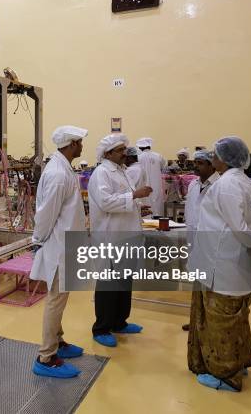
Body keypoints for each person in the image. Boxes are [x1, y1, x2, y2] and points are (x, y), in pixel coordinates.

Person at [187, 136, 251, 392]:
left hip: (222, 263)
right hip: (232, 261)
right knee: (237, 317)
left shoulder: (228, 185)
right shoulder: (243, 182)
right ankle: (237, 361)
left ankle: (225, 374)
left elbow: (239, 228)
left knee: (222, 321)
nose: (213, 158)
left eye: (216, 155)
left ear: (225, 159)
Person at [30, 125, 88, 378]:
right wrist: (38, 240)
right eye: (80, 142)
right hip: (57, 245)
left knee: (60, 296)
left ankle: (59, 342)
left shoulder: (63, 169)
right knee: (55, 299)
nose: (82, 146)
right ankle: (46, 356)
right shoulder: (57, 173)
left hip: (66, 243)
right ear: (72, 144)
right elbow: (46, 215)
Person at [88, 134, 152, 347]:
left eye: (125, 149)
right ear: (107, 153)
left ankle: (119, 322)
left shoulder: (122, 171)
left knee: (124, 281)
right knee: (108, 283)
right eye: (120, 150)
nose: (125, 153)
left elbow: (122, 199)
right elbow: (106, 203)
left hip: (126, 235)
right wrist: (134, 196)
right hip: (110, 237)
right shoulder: (102, 173)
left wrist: (137, 205)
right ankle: (102, 328)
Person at [181, 150, 219, 331]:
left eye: (201, 163)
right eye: (195, 162)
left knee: (212, 284)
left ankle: (211, 322)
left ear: (212, 165)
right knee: (197, 282)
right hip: (194, 240)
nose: (196, 166)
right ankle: (196, 319)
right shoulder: (193, 185)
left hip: (213, 243)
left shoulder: (221, 186)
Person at [136, 137, 166, 216]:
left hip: (144, 185)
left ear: (140, 147)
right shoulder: (159, 156)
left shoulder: (138, 157)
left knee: (146, 203)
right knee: (157, 202)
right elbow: (164, 167)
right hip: (157, 184)